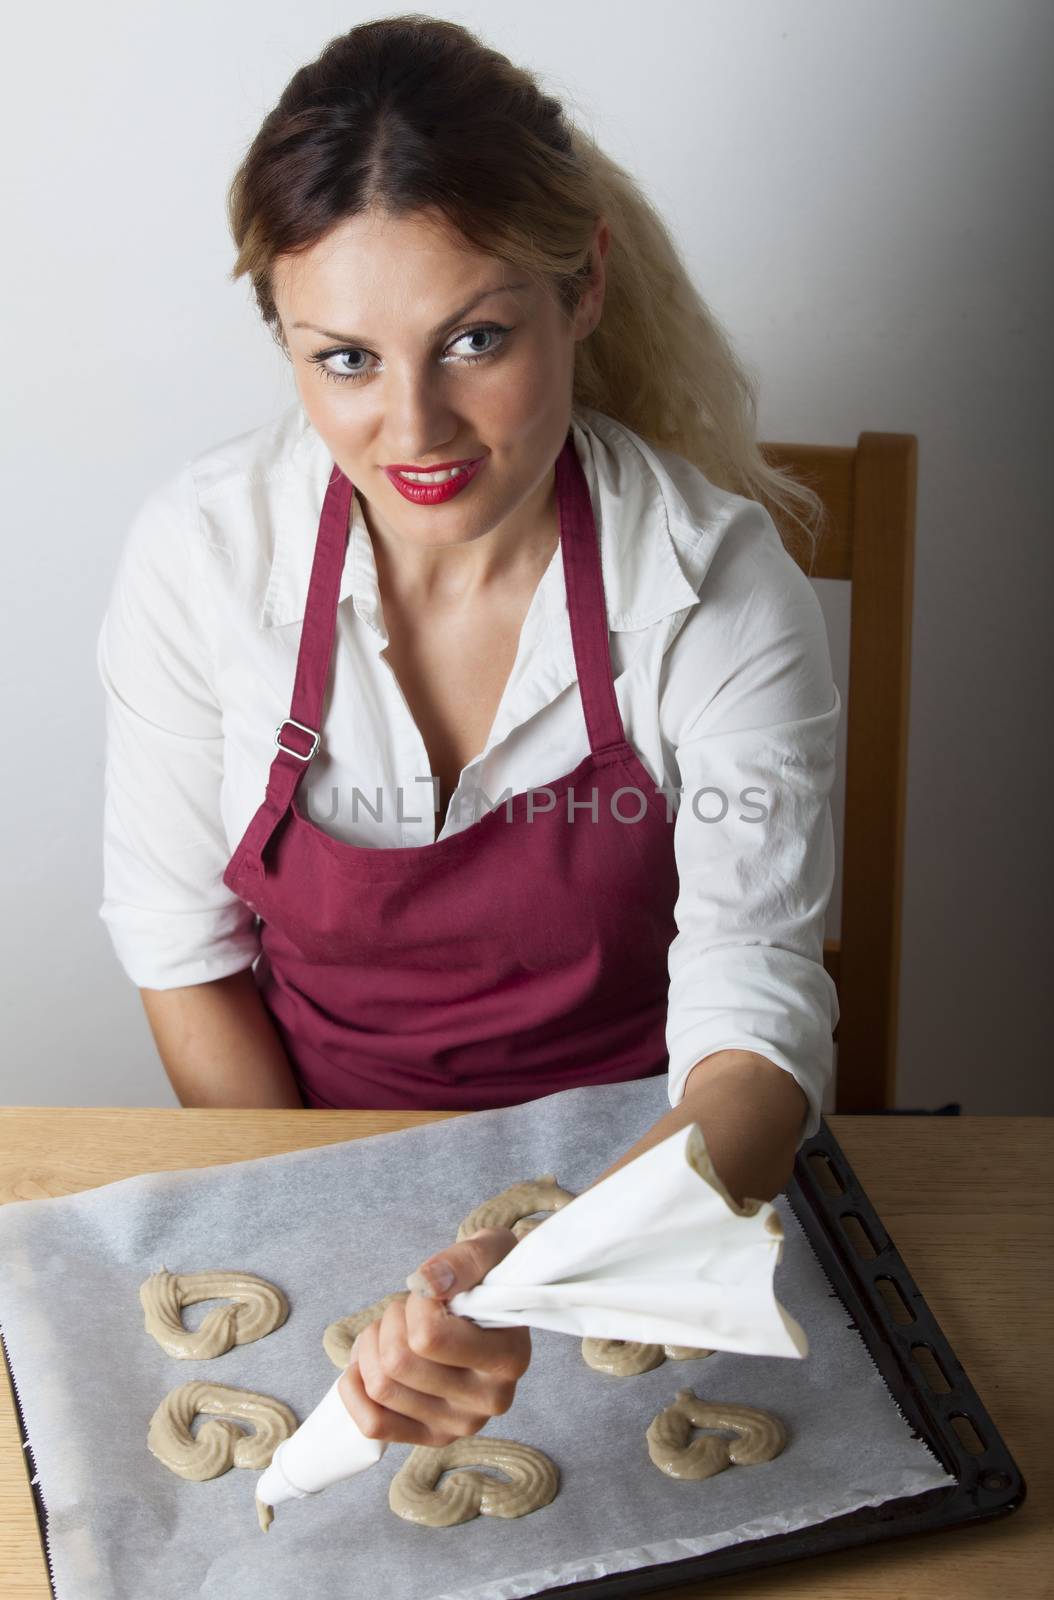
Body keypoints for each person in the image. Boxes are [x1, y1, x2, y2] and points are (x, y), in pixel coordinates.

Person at [96, 16, 840, 1450]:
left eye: (474, 340)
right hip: (312, 1163)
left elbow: (754, 1031)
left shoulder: (711, 589)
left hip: (661, 1179)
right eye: (345, 360)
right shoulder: (204, 560)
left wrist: (550, 1273)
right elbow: (184, 959)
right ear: (285, 341)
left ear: (587, 287)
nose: (413, 428)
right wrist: (354, 1246)